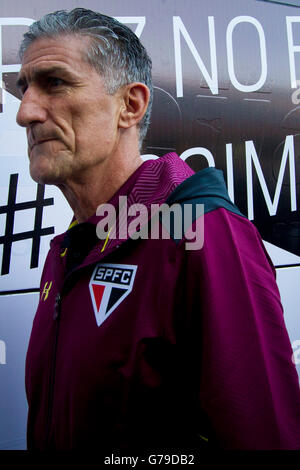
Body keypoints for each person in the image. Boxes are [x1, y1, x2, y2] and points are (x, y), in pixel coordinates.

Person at [16, 8, 300, 452]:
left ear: (130, 106)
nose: (26, 112)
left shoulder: (202, 230)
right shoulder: (69, 248)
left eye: (55, 82)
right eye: (23, 88)